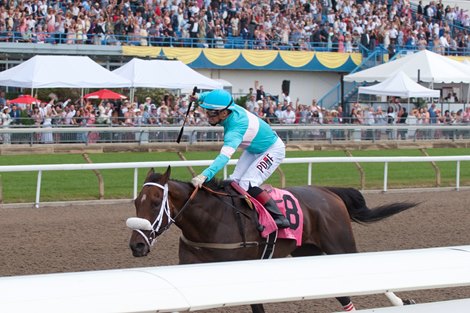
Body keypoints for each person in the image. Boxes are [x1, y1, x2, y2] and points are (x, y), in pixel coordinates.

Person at [190, 89, 290, 229]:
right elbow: (214, 96)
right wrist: (198, 97)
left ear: (224, 113)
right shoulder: (228, 105)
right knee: (233, 181)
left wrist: (204, 175)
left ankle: (279, 217)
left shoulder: (235, 130)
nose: (207, 116)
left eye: (211, 113)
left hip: (273, 149)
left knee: (247, 183)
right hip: (254, 149)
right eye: (206, 111)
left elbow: (223, 158)